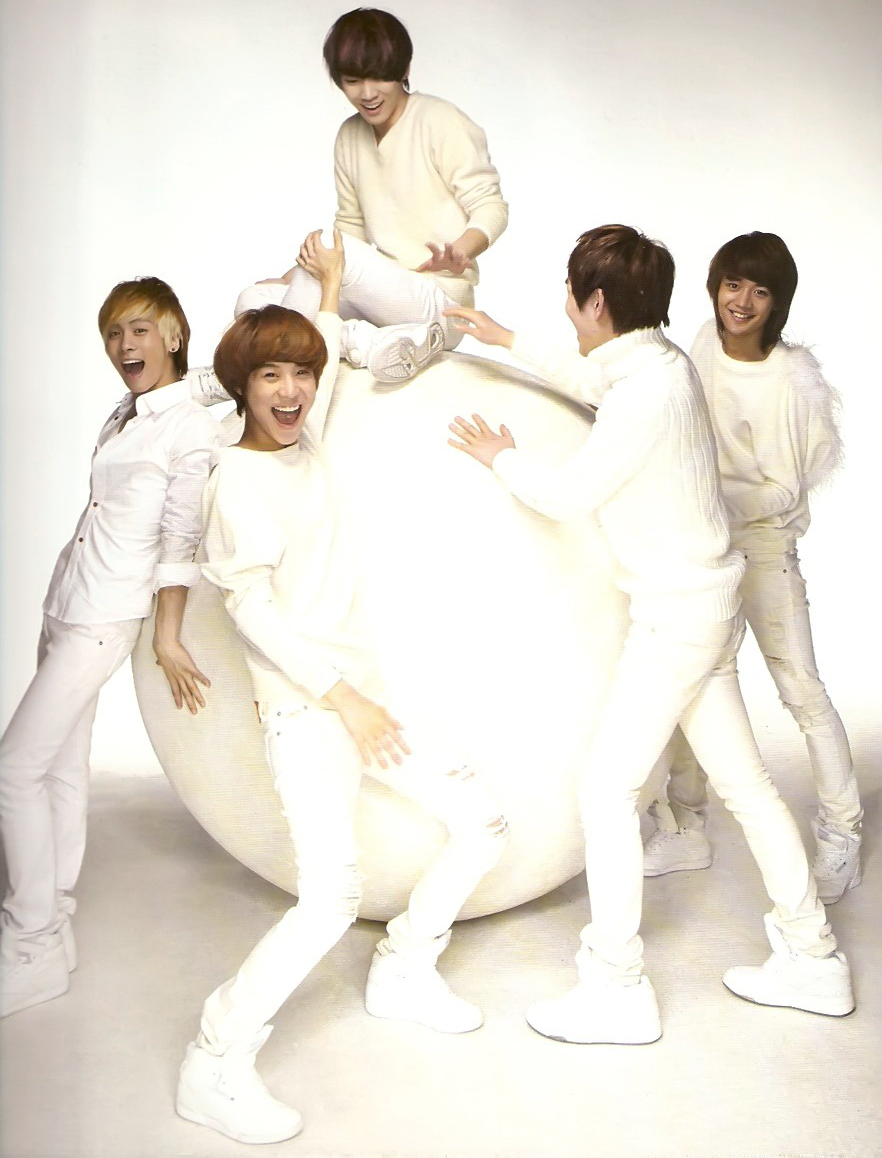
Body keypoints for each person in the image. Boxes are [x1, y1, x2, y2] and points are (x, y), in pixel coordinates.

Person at [445, 225, 854, 1046]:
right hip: (708, 607)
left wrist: (501, 458)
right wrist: (507, 338)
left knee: (606, 791)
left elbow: (567, 496)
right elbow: (595, 378)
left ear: (596, 303)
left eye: (571, 296)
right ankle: (814, 956)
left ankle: (616, 985)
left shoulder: (644, 396)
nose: (567, 307)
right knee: (748, 787)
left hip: (676, 623)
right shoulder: (662, 361)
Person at [176, 230, 508, 1145]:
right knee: (329, 899)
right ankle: (213, 1058)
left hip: (363, 702)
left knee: (483, 822)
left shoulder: (304, 436)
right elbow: (250, 611)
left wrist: (327, 288)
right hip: (308, 713)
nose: (292, 390)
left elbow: (318, 343)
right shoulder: (236, 482)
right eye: (270, 375)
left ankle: (405, 965)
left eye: (302, 375)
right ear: (241, 385)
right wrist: (344, 700)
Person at [0, 277, 218, 1018]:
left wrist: (167, 634)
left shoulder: (188, 426)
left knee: (13, 769)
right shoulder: (127, 412)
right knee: (60, 769)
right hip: (67, 599)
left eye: (140, 330)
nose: (125, 345)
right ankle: (52, 922)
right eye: (114, 333)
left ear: (174, 334)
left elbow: (180, 540)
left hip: (103, 614)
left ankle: (30, 937)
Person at [642, 233, 860, 905]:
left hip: (762, 551)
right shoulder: (701, 346)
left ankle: (842, 833)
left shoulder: (790, 379)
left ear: (778, 302)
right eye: (733, 284)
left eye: (760, 291)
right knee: (693, 683)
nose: (742, 301)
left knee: (802, 691)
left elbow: (785, 489)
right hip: (700, 545)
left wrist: (709, 496)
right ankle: (687, 826)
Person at [236, 7, 508, 384]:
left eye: (379, 78)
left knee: (323, 260)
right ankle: (365, 342)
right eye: (353, 81)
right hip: (380, 302)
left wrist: (461, 251)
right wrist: (292, 278)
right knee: (254, 299)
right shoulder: (349, 136)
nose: (367, 94)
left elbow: (491, 205)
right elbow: (350, 229)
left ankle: (253, 374)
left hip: (441, 304)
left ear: (404, 69)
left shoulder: (440, 121)